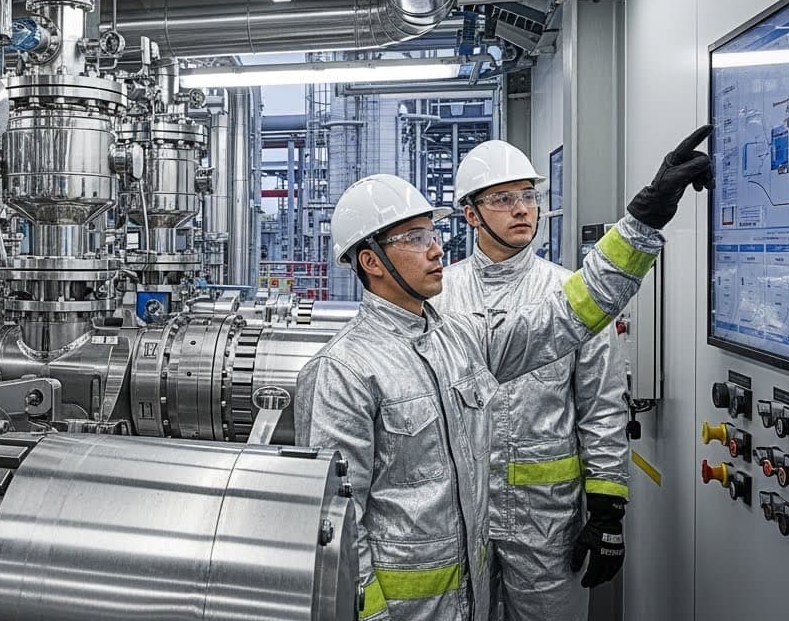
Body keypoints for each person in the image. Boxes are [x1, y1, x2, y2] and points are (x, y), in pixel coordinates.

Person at [295, 126, 711, 621]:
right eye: (416, 238)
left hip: (472, 584)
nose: (436, 249)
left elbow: (565, 317)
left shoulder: (455, 341)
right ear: (371, 260)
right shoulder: (342, 370)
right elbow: (333, 519)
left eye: (432, 234)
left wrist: (642, 220)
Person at [441, 141, 628, 621]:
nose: (522, 209)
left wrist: (607, 508)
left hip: (548, 523)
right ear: (471, 215)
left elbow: (602, 405)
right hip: (459, 518)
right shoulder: (439, 298)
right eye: (503, 199)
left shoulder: (571, 295)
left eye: (528, 196)